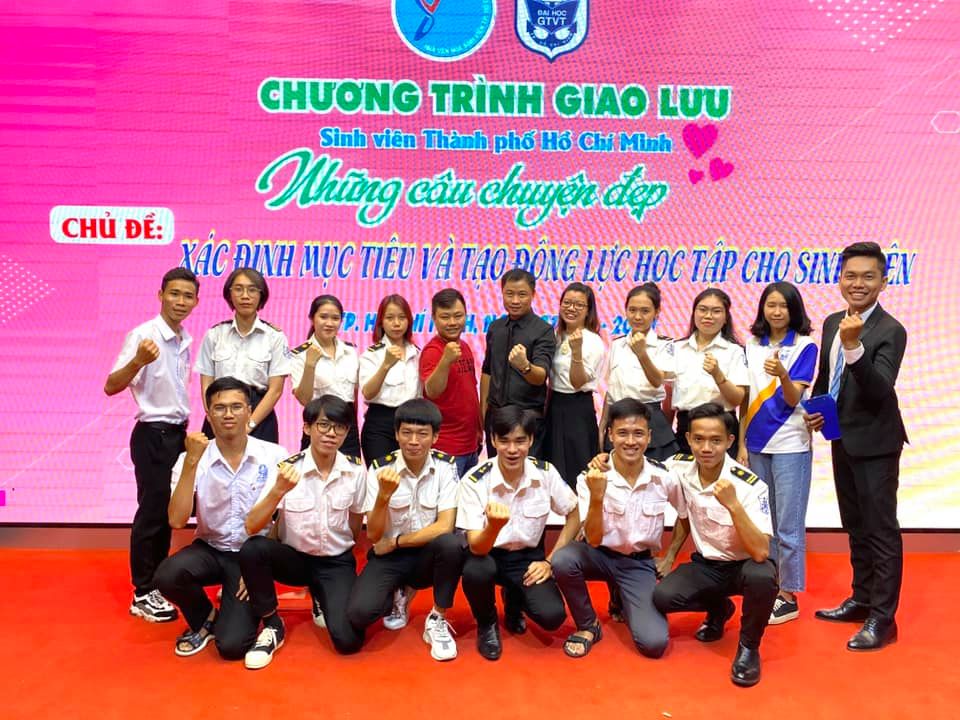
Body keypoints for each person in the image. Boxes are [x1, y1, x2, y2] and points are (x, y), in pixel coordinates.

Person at [805, 241, 907, 651]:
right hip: (841, 438)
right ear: (840, 279)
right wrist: (816, 409)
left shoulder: (890, 330)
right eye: (851, 275)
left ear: (883, 281)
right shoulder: (833, 321)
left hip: (877, 443)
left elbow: (879, 389)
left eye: (868, 276)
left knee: (881, 529)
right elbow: (826, 376)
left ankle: (883, 618)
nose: (858, 283)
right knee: (855, 524)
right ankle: (862, 598)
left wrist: (853, 346)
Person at [154, 377, 290, 659]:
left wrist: (258, 570)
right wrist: (191, 462)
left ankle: (250, 619)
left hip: (251, 555)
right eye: (220, 408)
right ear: (208, 414)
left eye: (236, 407)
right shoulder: (190, 458)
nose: (228, 414)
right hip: (211, 549)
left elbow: (285, 516)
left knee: (232, 647)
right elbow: (177, 520)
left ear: (249, 411)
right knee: (167, 575)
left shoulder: (274, 455)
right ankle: (207, 619)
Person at [653, 403, 777, 687]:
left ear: (730, 441)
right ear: (688, 438)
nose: (706, 448)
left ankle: (749, 648)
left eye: (715, 440)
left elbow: (761, 551)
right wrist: (606, 460)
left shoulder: (750, 485)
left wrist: (734, 506)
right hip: (707, 565)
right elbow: (643, 468)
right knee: (662, 597)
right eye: (698, 439)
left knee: (764, 577)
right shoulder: (679, 468)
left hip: (745, 565)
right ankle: (720, 609)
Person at [238, 395, 366, 669]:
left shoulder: (355, 471)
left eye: (339, 427)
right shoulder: (287, 469)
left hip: (335, 562)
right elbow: (252, 525)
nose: (331, 433)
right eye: (323, 425)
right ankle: (272, 624)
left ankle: (322, 595)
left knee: (348, 641)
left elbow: (355, 525)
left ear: (346, 433)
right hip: (295, 559)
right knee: (253, 549)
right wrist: (278, 490)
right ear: (307, 428)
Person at [552, 400, 686, 659]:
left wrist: (670, 556)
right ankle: (588, 625)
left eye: (638, 433)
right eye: (622, 433)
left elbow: (684, 514)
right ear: (610, 435)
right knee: (563, 560)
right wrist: (597, 496)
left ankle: (620, 595)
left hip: (638, 563)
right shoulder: (591, 476)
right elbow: (592, 538)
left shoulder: (664, 477)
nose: (631, 441)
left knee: (654, 643)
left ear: (649, 436)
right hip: (598, 554)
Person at [104, 267, 200, 622]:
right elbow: (111, 385)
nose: (180, 301)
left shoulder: (184, 338)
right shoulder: (144, 335)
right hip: (153, 435)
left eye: (187, 296)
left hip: (176, 435)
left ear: (196, 301)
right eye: (174, 293)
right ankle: (143, 592)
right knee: (151, 513)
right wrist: (138, 361)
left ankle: (157, 584)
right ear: (160, 295)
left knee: (165, 512)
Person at [456, 405, 580, 661]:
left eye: (520, 441)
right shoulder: (474, 481)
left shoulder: (546, 473)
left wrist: (549, 562)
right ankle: (487, 623)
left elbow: (574, 514)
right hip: (487, 555)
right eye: (504, 441)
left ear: (531, 440)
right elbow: (477, 546)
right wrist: (493, 526)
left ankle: (514, 600)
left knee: (553, 616)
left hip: (527, 558)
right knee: (475, 571)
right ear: (493, 440)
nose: (512, 450)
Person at [346, 399, 464, 662]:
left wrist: (397, 541)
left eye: (422, 434)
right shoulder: (379, 469)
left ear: (435, 437)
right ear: (396, 434)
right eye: (407, 432)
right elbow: (373, 536)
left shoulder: (446, 467)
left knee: (452, 544)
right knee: (359, 614)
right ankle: (397, 593)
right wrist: (383, 497)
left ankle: (437, 618)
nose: (413, 441)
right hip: (388, 557)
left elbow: (445, 525)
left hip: (425, 554)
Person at [738, 282, 818, 625]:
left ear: (794, 309)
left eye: (784, 306)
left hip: (791, 445)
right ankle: (769, 587)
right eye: (771, 305)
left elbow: (792, 398)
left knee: (788, 525)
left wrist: (783, 374)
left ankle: (789, 595)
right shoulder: (751, 345)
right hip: (756, 443)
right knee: (764, 523)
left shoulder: (805, 345)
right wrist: (741, 443)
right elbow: (745, 398)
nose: (776, 311)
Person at [195, 268, 291, 443]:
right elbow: (206, 383)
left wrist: (250, 424)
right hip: (220, 411)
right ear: (229, 294)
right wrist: (212, 416)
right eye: (238, 289)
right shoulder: (214, 334)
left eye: (252, 290)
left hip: (259, 415)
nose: (245, 296)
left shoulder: (275, 336)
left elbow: (276, 390)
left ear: (261, 295)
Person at [480, 268, 556, 458]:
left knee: (528, 473)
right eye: (509, 294)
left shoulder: (543, 330)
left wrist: (524, 366)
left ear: (533, 295)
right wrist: (483, 413)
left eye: (522, 294)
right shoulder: (495, 327)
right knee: (495, 470)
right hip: (496, 417)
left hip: (527, 418)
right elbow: (487, 371)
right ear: (502, 293)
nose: (515, 301)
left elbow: (540, 377)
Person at [601, 282, 679, 461]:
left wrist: (642, 354)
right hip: (619, 419)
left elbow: (658, 381)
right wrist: (603, 425)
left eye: (645, 311)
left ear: (656, 312)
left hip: (650, 419)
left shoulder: (665, 345)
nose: (637, 316)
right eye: (632, 310)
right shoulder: (617, 344)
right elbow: (611, 391)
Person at [543, 282, 605, 489]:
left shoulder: (593, 341)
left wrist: (576, 351)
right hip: (554, 405)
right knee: (553, 467)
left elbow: (577, 382)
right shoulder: (555, 335)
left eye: (579, 305)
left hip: (577, 409)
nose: (571, 308)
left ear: (588, 311)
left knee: (577, 470)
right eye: (567, 303)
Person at [672, 288, 748, 457]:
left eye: (716, 311)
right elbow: (669, 395)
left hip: (721, 426)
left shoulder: (734, 351)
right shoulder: (677, 348)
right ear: (694, 313)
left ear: (726, 318)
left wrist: (717, 374)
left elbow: (738, 399)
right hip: (686, 427)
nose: (708, 316)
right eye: (703, 310)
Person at [420, 288, 483, 477]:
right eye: (445, 317)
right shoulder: (433, 351)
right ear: (434, 318)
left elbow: (470, 392)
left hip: (471, 445)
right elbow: (431, 391)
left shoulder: (464, 346)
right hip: (446, 448)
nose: (453, 322)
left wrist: (478, 429)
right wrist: (445, 361)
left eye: (458, 316)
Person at [290, 294, 361, 457]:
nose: (329, 323)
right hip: (319, 424)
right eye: (323, 317)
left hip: (347, 426)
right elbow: (304, 399)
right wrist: (310, 364)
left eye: (335, 318)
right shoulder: (299, 354)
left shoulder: (350, 351)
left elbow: (354, 395)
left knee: (349, 470)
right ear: (312, 318)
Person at [358, 294, 421, 463]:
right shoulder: (371, 354)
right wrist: (386, 365)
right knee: (382, 475)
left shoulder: (417, 353)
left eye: (402, 317)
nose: (396, 323)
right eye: (390, 318)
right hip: (380, 425)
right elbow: (368, 393)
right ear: (381, 322)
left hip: (412, 422)